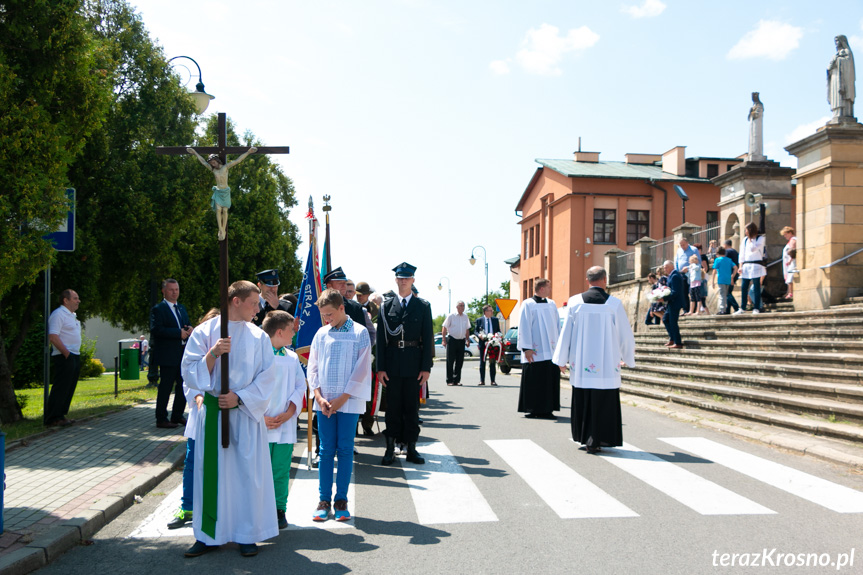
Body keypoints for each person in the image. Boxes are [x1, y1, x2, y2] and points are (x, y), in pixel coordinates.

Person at [181, 280, 278, 558]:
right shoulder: (205, 332)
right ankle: (207, 534)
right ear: (236, 301)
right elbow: (188, 371)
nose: (258, 309)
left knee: (246, 476)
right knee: (212, 476)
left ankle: (246, 534)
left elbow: (267, 377)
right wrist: (214, 353)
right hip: (213, 415)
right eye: (253, 302)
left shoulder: (258, 337)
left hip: (245, 416)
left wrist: (241, 397)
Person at [553, 267, 635, 454]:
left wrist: (561, 359)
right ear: (605, 279)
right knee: (604, 401)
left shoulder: (575, 302)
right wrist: (628, 357)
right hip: (606, 363)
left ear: (587, 279)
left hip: (582, 364)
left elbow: (566, 332)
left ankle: (587, 438)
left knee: (584, 399)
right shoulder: (614, 304)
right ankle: (600, 439)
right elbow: (625, 335)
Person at [308, 289, 371, 522]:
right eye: (323, 315)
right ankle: (324, 500)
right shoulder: (321, 333)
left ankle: (341, 499)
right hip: (324, 403)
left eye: (330, 314)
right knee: (325, 451)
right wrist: (318, 396)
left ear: (342, 308)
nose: (327, 319)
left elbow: (362, 369)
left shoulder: (359, 332)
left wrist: (342, 398)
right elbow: (312, 366)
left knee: (344, 449)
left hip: (348, 402)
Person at [167, 307, 220, 531]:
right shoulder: (196, 348)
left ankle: (218, 507)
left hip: (222, 415)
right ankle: (187, 507)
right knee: (191, 462)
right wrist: (197, 395)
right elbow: (188, 377)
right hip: (199, 416)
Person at [377, 262, 433, 466]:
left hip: (413, 364)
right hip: (392, 364)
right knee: (392, 408)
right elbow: (381, 341)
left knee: (411, 408)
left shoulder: (423, 306)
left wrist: (426, 368)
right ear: (396, 280)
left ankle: (411, 447)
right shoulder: (386, 307)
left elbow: (427, 339)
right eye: (400, 278)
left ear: (413, 280)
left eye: (407, 278)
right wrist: (380, 368)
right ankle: (390, 448)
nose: (403, 281)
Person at [262, 311, 306, 530]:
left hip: (284, 424)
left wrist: (290, 411)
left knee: (280, 469)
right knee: (258, 471)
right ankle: (257, 509)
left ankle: (279, 509)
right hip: (259, 424)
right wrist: (259, 416)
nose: (294, 333)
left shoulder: (292, 357)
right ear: (279, 331)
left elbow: (301, 385)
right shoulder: (257, 355)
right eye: (291, 329)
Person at [186, 146, 258, 241]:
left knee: (225, 211)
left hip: (225, 191)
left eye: (214, 162)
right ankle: (220, 230)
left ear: (217, 161)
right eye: (211, 163)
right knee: (218, 210)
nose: (213, 164)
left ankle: (224, 229)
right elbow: (203, 162)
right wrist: (195, 153)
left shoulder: (225, 167)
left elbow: (237, 161)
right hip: (218, 191)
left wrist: (248, 152)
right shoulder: (213, 170)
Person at [150, 279, 192, 429]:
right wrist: (177, 333)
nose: (174, 292)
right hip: (168, 355)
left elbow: (185, 323)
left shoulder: (181, 308)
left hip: (182, 353)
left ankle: (177, 415)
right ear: (164, 291)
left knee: (182, 386)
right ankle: (161, 418)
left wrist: (189, 329)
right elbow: (156, 329)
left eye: (176, 289)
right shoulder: (159, 309)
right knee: (166, 388)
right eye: (171, 290)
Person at [516, 278, 560, 419]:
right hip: (535, 351)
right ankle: (533, 409)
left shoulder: (552, 304)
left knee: (549, 381)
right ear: (541, 289)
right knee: (535, 382)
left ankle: (548, 409)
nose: (550, 289)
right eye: (549, 287)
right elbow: (524, 325)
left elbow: (558, 325)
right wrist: (526, 348)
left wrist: (559, 347)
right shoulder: (528, 304)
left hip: (551, 351)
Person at [44, 289, 82, 427]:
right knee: (61, 387)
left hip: (74, 355)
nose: (78, 301)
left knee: (69, 387)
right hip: (64, 355)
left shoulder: (72, 315)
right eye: (75, 298)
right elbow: (53, 336)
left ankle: (61, 415)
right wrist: (66, 354)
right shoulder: (58, 314)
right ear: (65, 300)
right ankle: (53, 417)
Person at [736, 222, 766, 315]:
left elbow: (754, 249)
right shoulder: (744, 240)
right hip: (746, 265)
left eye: (746, 230)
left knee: (756, 287)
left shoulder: (760, 238)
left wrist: (752, 239)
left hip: (756, 265)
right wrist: (740, 266)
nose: (745, 232)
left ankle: (756, 307)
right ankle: (742, 307)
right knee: (744, 287)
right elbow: (742, 254)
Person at [441, 301, 470, 386]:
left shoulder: (465, 317)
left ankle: (456, 380)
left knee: (460, 361)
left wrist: (467, 340)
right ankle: (449, 380)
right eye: (461, 305)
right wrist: (443, 339)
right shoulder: (451, 316)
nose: (462, 307)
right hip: (452, 339)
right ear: (457, 307)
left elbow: (467, 329)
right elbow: (444, 327)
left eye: (463, 306)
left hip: (461, 340)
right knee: (450, 360)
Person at [827, 35, 856, 122]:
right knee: (836, 96)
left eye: (837, 41)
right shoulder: (835, 55)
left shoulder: (847, 51)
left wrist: (839, 60)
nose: (836, 43)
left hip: (843, 77)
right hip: (835, 77)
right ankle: (837, 113)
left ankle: (845, 113)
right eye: (835, 41)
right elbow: (829, 68)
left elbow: (848, 63)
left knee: (843, 95)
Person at [475, 305, 501, 386]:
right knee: (482, 362)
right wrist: (479, 335)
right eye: (490, 310)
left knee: (492, 362)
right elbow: (475, 331)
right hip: (483, 343)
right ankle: (482, 380)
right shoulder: (479, 320)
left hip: (493, 343)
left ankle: (493, 380)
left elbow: (498, 331)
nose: (492, 312)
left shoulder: (495, 320)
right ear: (485, 312)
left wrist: (498, 336)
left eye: (492, 310)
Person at [662, 260, 685, 349]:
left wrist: (663, 298)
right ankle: (672, 338)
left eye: (666, 267)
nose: (665, 269)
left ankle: (677, 342)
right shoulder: (671, 275)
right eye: (664, 268)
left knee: (673, 322)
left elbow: (675, 292)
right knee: (665, 319)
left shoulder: (675, 275)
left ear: (671, 266)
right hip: (671, 302)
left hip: (675, 302)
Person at [675, 238, 700, 311]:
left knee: (693, 292)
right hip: (682, 274)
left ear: (687, 243)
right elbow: (677, 262)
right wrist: (677, 272)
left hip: (692, 274)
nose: (682, 246)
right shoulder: (679, 251)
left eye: (683, 244)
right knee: (683, 292)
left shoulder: (694, 249)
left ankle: (694, 309)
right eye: (681, 245)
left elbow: (698, 262)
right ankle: (686, 309)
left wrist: (688, 268)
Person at [711, 247, 738, 315]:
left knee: (722, 295)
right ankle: (724, 309)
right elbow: (735, 268)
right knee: (725, 294)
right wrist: (732, 276)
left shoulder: (717, 260)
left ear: (717, 253)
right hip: (728, 280)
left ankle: (722, 310)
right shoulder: (729, 260)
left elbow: (714, 270)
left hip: (721, 279)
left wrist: (712, 281)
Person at [723, 239, 741, 313]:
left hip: (730, 274)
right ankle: (728, 310)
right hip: (735, 273)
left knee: (727, 292)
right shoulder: (735, 252)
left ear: (725, 245)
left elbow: (726, 263)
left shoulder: (727, 252)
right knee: (729, 291)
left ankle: (736, 307)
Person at [781, 226, 797, 299]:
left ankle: (791, 293)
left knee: (790, 276)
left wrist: (790, 260)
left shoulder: (793, 240)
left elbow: (793, 251)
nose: (785, 236)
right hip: (788, 262)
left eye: (785, 234)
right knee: (788, 277)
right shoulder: (790, 240)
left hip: (791, 262)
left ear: (790, 233)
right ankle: (789, 292)